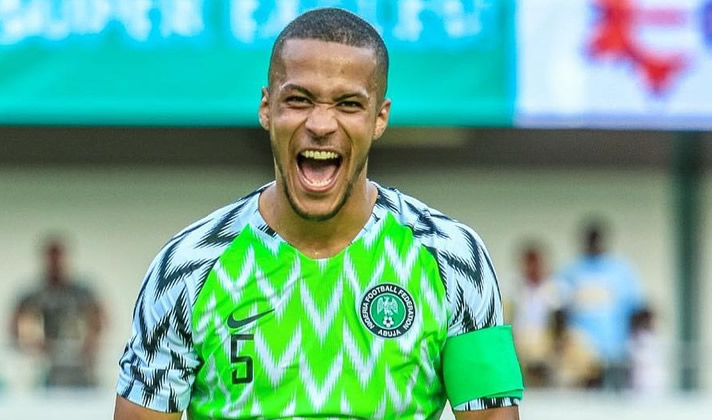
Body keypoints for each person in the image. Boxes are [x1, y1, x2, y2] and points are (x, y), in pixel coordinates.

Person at [114, 8, 523, 420]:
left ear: (379, 118)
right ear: (267, 108)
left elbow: (492, 416)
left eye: (348, 104)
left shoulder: (455, 257)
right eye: (298, 100)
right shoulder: (187, 265)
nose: (321, 124)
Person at [557, 219, 645, 390]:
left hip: (615, 353)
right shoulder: (571, 271)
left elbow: (636, 309)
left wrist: (633, 347)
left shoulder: (621, 270)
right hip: (582, 357)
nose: (593, 244)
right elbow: (560, 310)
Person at [9, 236, 105, 387]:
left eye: (58, 258)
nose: (55, 264)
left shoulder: (82, 293)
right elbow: (16, 327)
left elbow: (99, 321)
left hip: (79, 366)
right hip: (45, 367)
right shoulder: (32, 296)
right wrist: (31, 344)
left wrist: (89, 343)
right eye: (51, 259)